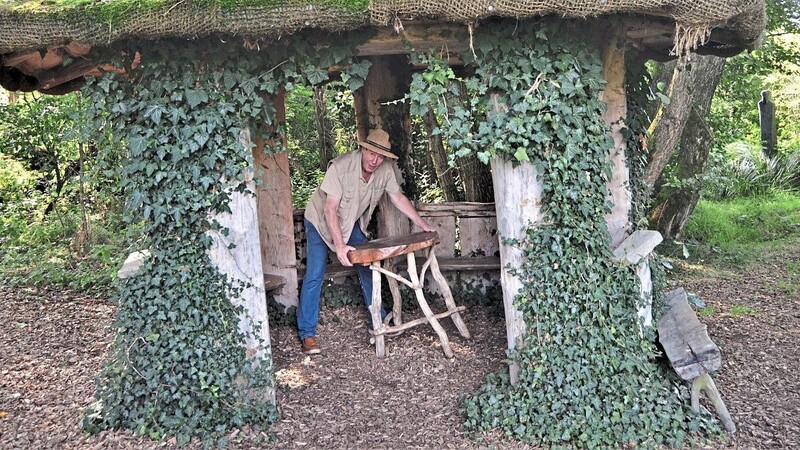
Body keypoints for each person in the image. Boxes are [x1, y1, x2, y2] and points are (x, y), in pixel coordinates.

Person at [297, 128, 435, 355]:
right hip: (320, 223)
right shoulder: (340, 167)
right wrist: (340, 246)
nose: (375, 160)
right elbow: (330, 209)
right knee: (315, 274)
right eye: (371, 153)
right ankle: (307, 333)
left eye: (381, 156)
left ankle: (378, 321)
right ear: (362, 148)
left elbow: (398, 198)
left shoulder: (385, 170)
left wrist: (422, 224)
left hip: (349, 224)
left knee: (369, 266)